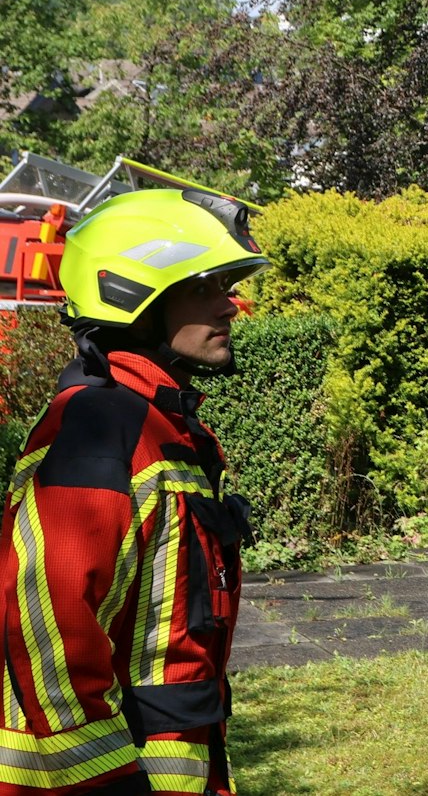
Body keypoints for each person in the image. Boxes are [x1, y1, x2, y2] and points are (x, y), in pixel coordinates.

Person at [0, 189, 267, 795]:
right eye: (205, 288)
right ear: (132, 297)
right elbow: (50, 633)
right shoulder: (98, 432)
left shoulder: (160, 426)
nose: (231, 307)